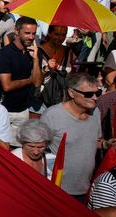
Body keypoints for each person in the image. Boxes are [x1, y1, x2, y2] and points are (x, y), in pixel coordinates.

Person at [42, 72, 116, 202]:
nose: (95, 98)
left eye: (97, 93)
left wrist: (105, 144)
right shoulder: (52, 115)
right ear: (71, 93)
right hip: (57, 189)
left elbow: (94, 142)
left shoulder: (95, 113)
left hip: (85, 190)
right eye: (88, 94)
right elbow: (38, 149)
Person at [0, 16, 44, 128]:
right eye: (27, 33)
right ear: (16, 31)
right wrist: (29, 80)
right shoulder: (5, 54)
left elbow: (37, 83)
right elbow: (7, 86)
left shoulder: (35, 53)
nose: (31, 37)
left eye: (33, 33)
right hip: (5, 110)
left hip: (24, 109)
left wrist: (35, 59)